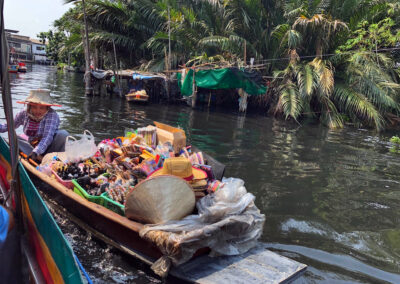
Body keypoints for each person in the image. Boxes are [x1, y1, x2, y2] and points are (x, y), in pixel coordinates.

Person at [0, 89, 69, 163]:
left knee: (63, 134)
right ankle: (37, 158)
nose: (37, 111)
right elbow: (9, 126)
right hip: (31, 147)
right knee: (13, 137)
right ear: (30, 106)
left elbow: (48, 136)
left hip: (49, 147)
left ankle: (54, 160)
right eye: (34, 107)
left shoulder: (52, 115)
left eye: (41, 108)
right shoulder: (24, 113)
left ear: (47, 107)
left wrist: (36, 152)